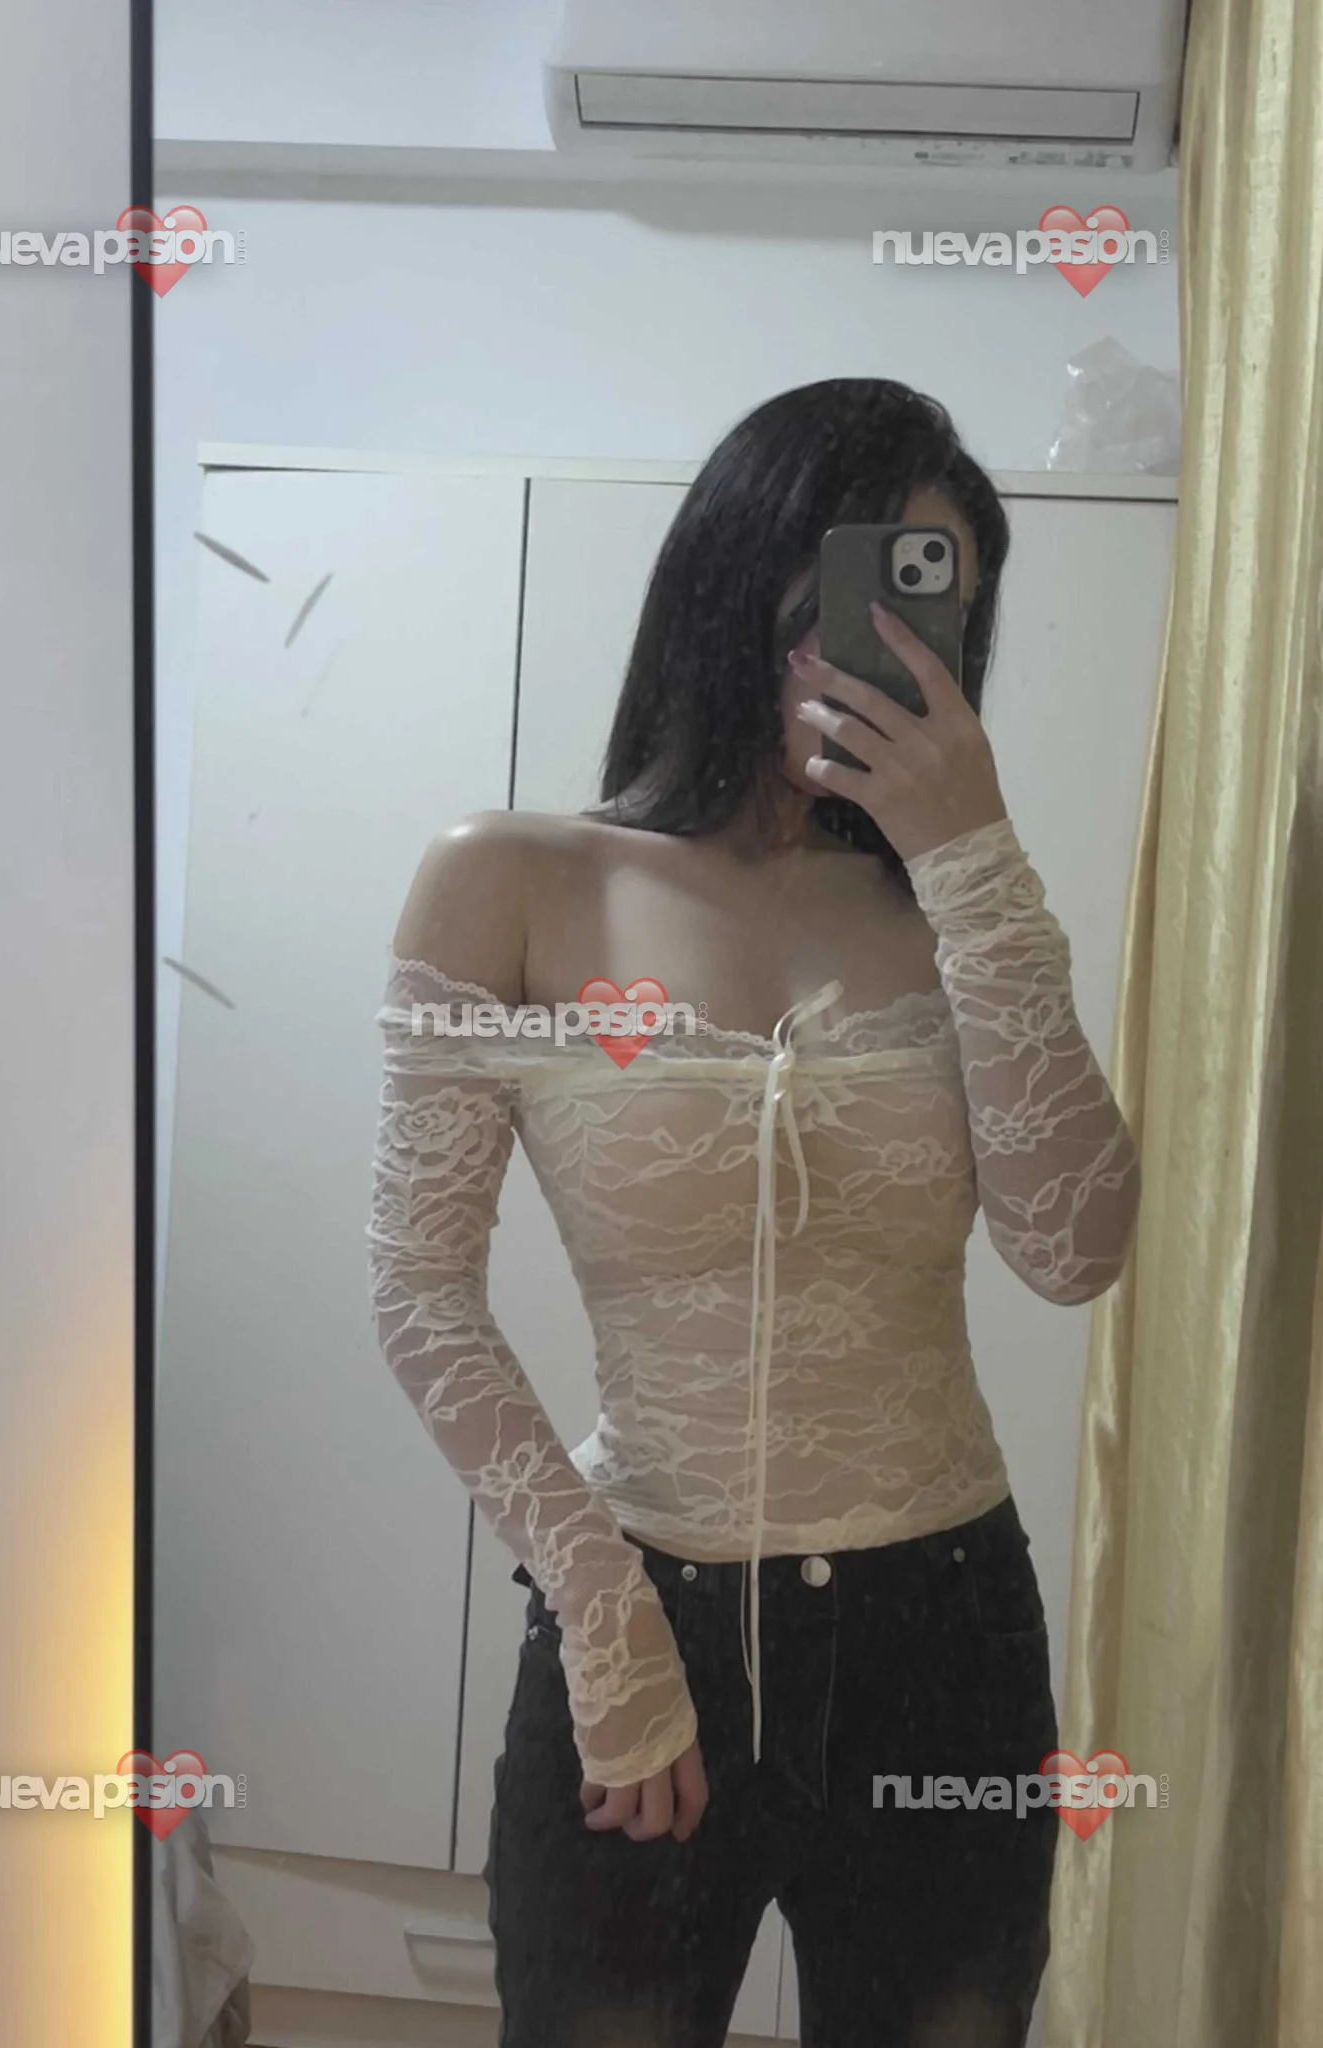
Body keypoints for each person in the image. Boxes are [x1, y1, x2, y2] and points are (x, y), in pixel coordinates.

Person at [366, 379, 1142, 2048]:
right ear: (740, 576)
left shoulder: (961, 908)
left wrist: (977, 861)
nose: (888, 646)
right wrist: (603, 1620)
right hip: (641, 1602)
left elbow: (1073, 1250)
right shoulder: (512, 879)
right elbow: (422, 1293)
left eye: (938, 605)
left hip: (947, 1633)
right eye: (859, 587)